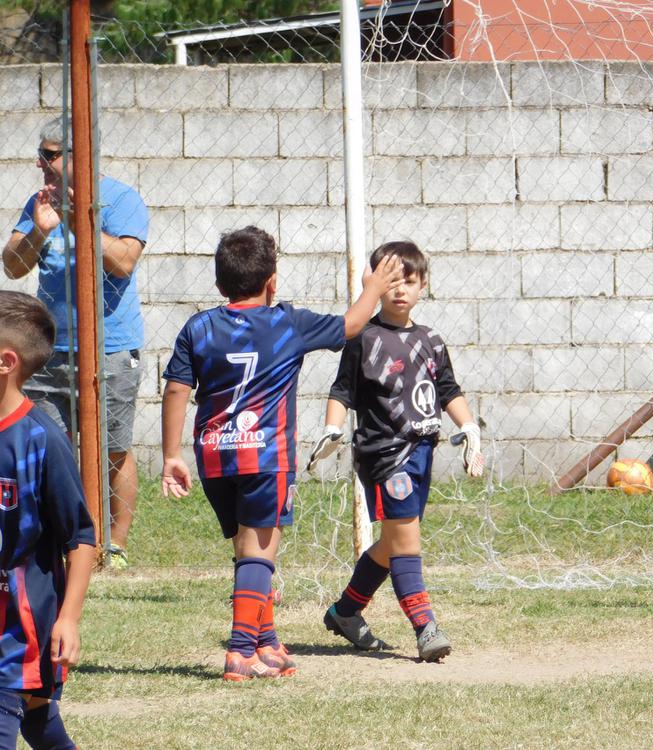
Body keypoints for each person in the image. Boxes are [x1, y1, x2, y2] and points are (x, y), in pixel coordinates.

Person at [160, 226, 403, 681]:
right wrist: (372, 288)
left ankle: (265, 641)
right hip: (264, 458)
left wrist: (171, 454)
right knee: (259, 554)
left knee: (246, 550)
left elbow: (176, 388)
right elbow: (352, 326)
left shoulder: (198, 326)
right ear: (273, 280)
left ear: (219, 285)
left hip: (214, 457)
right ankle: (239, 652)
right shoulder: (287, 323)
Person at [309, 240, 485, 663]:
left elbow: (448, 390)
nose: (400, 289)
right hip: (384, 455)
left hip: (421, 452)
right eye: (390, 281)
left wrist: (468, 426)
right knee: (406, 541)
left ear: (423, 285)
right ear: (374, 283)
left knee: (391, 542)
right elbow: (342, 391)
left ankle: (346, 611)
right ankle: (426, 629)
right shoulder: (363, 338)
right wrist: (333, 429)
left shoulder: (432, 341)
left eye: (409, 280)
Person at [1, 117, 150, 570]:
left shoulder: (123, 200)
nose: (40, 163)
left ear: (79, 156)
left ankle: (115, 545)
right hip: (51, 350)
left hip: (111, 348)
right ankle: (64, 541)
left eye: (49, 154)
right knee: (52, 446)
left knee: (113, 448)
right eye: (41, 154)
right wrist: (42, 229)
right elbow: (12, 265)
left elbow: (123, 262)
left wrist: (77, 219)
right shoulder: (37, 201)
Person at [0, 291, 96, 749]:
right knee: (37, 717)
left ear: (6, 362)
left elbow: (80, 538)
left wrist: (69, 619)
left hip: (19, 624)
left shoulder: (41, 442)